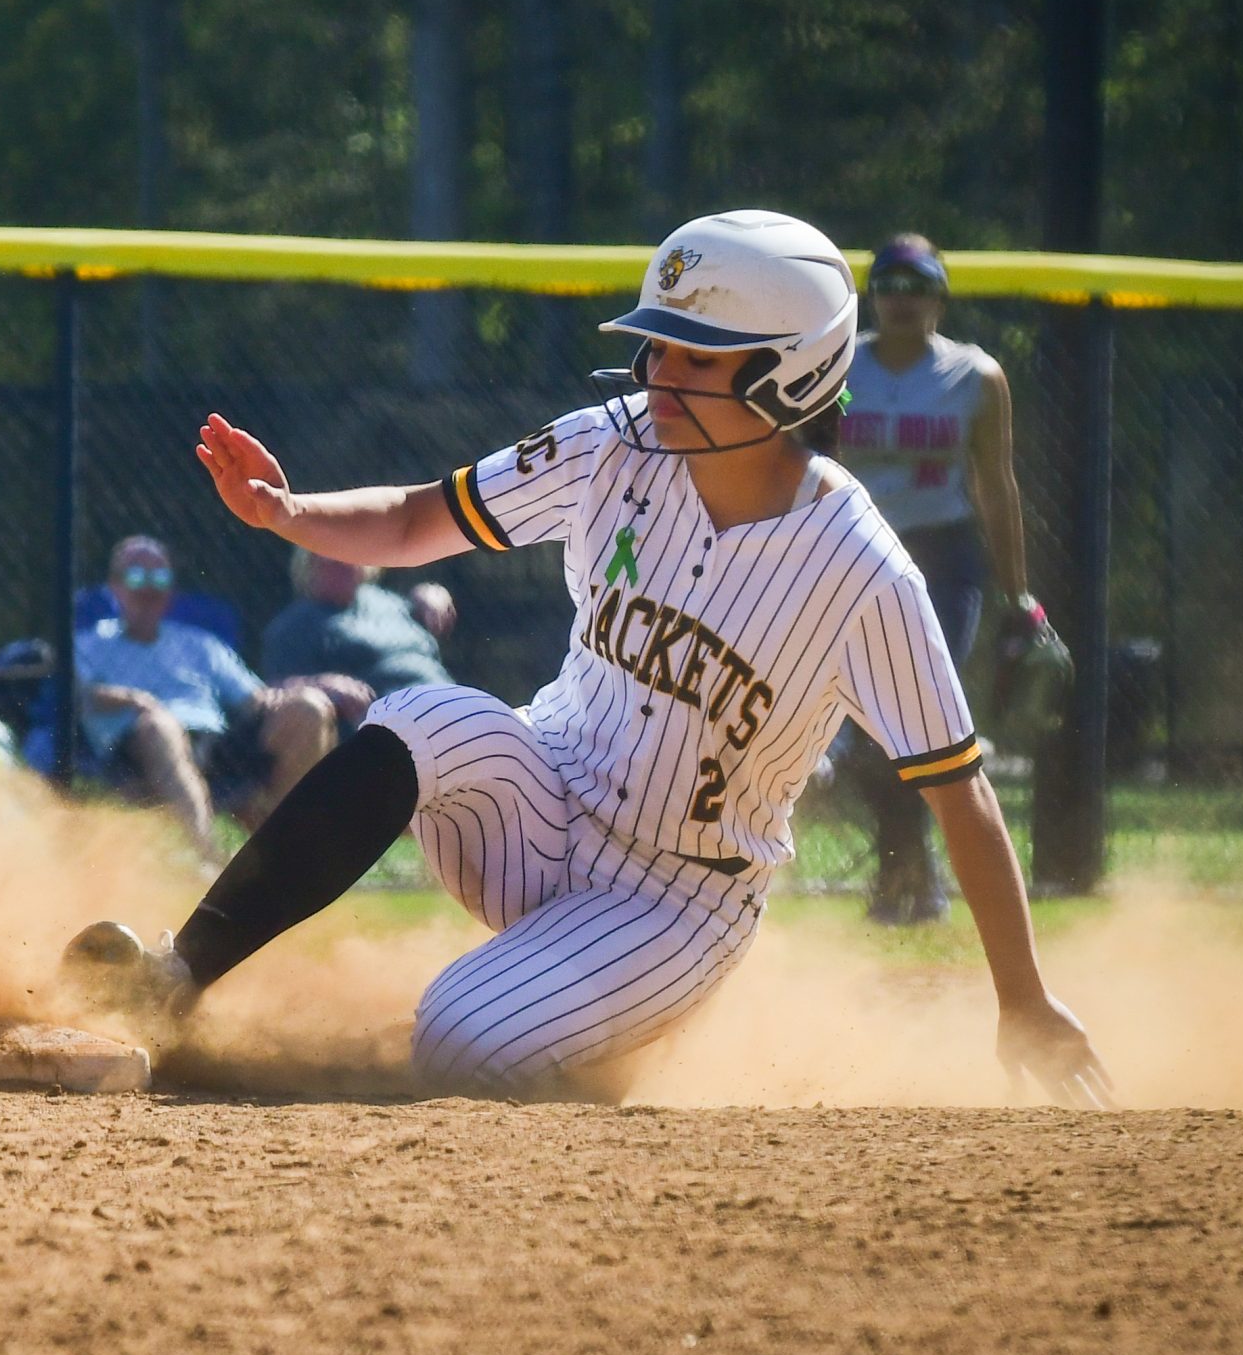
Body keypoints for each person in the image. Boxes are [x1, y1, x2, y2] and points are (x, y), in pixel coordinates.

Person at [65, 210, 1109, 1107]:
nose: (659, 374)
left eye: (697, 356)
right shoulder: (615, 442)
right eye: (656, 346)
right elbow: (419, 519)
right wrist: (287, 513)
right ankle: (175, 977)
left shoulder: (861, 572)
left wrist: (1022, 999)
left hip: (674, 897)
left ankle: (576, 1026)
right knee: (420, 716)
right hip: (540, 797)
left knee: (460, 1038)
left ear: (788, 376)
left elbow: (959, 790)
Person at [837, 234, 1054, 924]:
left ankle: (908, 878)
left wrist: (1018, 593)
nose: (902, 299)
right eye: (889, 285)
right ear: (872, 295)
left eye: (918, 285)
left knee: (918, 712)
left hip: (941, 559)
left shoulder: (974, 375)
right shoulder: (837, 364)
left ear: (941, 296)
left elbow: (996, 485)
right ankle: (906, 870)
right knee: (868, 728)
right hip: (852, 553)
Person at [77, 535, 338, 859]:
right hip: (136, 752)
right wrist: (132, 699)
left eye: (160, 578)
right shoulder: (90, 644)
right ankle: (207, 857)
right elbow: (80, 697)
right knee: (160, 725)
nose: (149, 588)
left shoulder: (199, 644)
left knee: (308, 707)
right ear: (114, 587)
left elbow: (255, 697)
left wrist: (306, 690)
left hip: (213, 744)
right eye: (136, 577)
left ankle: (284, 849)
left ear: (172, 589)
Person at [260, 549, 456, 724]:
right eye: (330, 558)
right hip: (395, 718)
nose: (342, 563)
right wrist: (321, 684)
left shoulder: (388, 602)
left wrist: (433, 593)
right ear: (308, 565)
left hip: (446, 696)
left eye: (349, 553)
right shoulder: (295, 625)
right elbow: (273, 693)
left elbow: (431, 608)